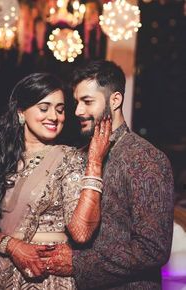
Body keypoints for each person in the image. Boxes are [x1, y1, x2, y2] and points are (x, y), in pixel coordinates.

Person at [0, 72, 111, 289]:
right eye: (44, 108)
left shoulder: (69, 159)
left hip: (44, 279)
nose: (54, 116)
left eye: (60, 110)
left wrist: (94, 164)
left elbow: (82, 233)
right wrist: (12, 245)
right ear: (21, 113)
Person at [39, 60, 175, 289]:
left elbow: (153, 249)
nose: (78, 111)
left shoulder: (145, 159)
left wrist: (78, 262)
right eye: (76, 102)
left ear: (115, 100)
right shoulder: (80, 155)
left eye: (87, 102)